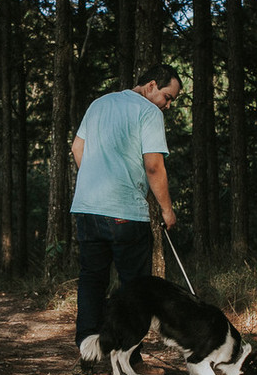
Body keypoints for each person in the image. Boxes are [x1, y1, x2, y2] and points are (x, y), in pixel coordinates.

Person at [70, 64, 182, 356]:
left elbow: (77, 148)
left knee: (92, 280)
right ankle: (126, 352)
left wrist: (98, 178)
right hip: (125, 214)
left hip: (87, 208)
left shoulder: (99, 104)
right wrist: (167, 211)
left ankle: (88, 349)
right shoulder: (148, 112)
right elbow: (154, 165)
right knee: (134, 286)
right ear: (151, 86)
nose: (168, 105)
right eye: (168, 97)